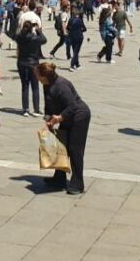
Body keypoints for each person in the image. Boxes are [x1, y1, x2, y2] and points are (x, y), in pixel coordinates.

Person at [37, 62, 90, 195]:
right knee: (62, 146)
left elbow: (72, 106)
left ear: (44, 76)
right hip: (65, 116)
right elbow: (48, 105)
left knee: (75, 150)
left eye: (38, 75)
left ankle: (78, 184)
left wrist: (60, 118)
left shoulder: (61, 86)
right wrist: (48, 120)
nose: (36, 78)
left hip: (79, 116)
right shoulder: (46, 84)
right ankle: (59, 178)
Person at [15, 13, 46, 117]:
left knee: (25, 85)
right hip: (33, 63)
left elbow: (15, 35)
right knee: (35, 86)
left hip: (21, 62)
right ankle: (36, 109)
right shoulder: (35, 38)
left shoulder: (19, 37)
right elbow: (44, 40)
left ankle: (25, 109)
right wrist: (38, 30)